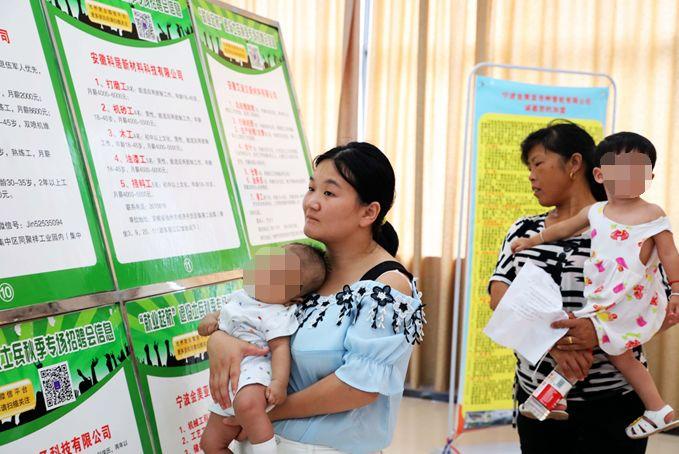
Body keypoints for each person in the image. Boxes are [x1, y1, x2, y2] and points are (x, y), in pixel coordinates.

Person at [202, 142, 425, 454]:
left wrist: (260, 412)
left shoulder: (387, 286)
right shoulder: (304, 271)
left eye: (329, 193)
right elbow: (249, 314)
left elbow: (356, 388)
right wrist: (220, 340)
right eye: (311, 188)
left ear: (369, 212)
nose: (311, 203)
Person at [488, 121, 677, 454]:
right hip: (538, 400)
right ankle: (552, 395)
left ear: (575, 164)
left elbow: (659, 307)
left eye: (537, 164)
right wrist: (555, 342)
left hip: (614, 402)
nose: (530, 175)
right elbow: (499, 297)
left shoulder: (631, 225)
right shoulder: (525, 229)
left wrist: (603, 335)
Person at [199, 243, 327, 454]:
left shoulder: (277, 313)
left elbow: (279, 350)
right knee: (210, 444)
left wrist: (279, 383)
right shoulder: (239, 297)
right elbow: (219, 315)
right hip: (229, 382)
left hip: (254, 374)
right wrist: (210, 321)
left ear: (293, 297)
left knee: (247, 405)